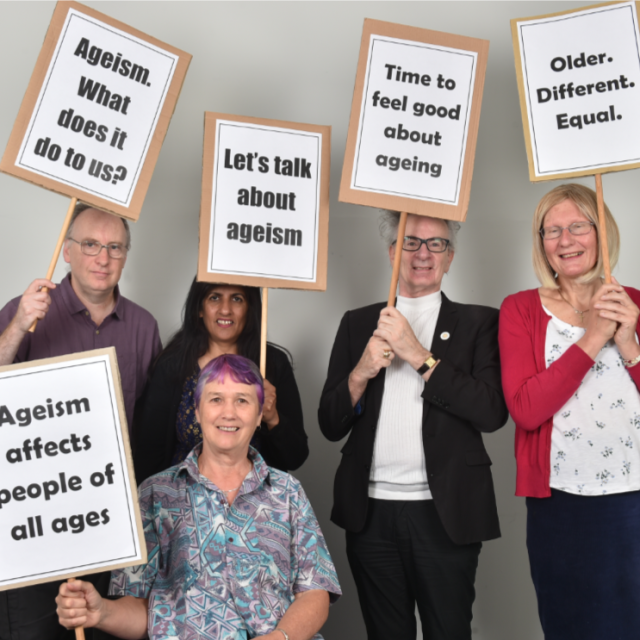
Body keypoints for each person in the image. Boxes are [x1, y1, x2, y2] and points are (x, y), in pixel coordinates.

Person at [318, 212, 508, 640]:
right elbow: (330, 424)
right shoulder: (357, 322)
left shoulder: (480, 322)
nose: (423, 253)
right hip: (371, 514)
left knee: (448, 631)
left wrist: (419, 355)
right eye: (410, 242)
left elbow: (492, 412)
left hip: (445, 513)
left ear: (451, 257)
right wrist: (360, 373)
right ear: (391, 253)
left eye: (436, 244)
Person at [57, 354, 341, 640]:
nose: (228, 412)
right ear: (197, 411)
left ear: (258, 416)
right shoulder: (154, 495)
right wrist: (102, 613)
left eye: (242, 400)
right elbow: (143, 609)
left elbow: (316, 593)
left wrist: (279, 638)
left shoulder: (288, 491)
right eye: (216, 399)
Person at [0, 202, 161, 640]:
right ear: (67, 251)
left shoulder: (145, 327)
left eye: (114, 247)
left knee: (104, 631)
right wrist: (16, 327)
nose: (102, 258)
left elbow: (148, 426)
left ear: (126, 255)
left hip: (107, 517)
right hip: (33, 513)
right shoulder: (26, 312)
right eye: (90, 244)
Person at [499, 183, 640, 639]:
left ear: (602, 232)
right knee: (570, 626)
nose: (566, 240)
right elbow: (525, 409)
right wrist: (594, 337)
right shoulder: (520, 309)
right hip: (561, 504)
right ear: (541, 243)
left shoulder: (634, 304)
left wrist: (629, 345)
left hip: (634, 499)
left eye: (578, 226)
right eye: (552, 230)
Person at [133, 279, 308, 484]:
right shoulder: (173, 366)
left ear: (249, 308)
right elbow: (148, 454)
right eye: (214, 298)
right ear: (199, 308)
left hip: (257, 505)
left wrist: (273, 418)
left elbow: (295, 457)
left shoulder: (272, 365)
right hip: (182, 503)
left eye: (237, 299)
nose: (225, 310)